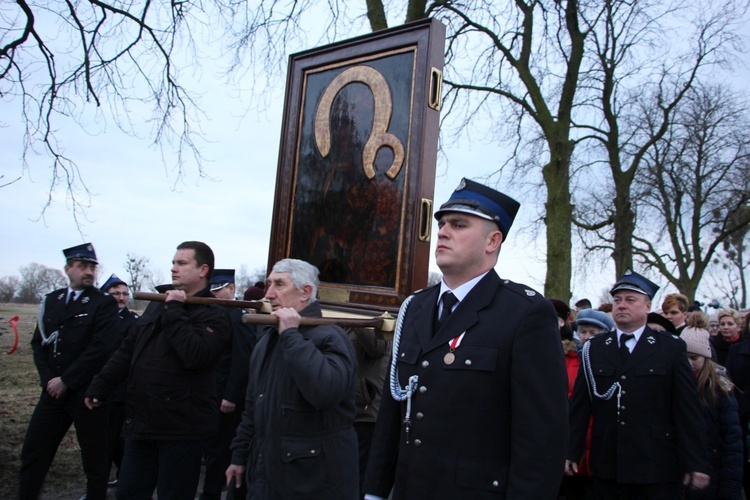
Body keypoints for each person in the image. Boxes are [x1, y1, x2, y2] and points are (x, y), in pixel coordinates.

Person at [364, 178, 568, 499]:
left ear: (492, 241)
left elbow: (541, 437)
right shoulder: (416, 307)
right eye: (443, 224)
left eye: (458, 225)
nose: (443, 232)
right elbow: (393, 409)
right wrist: (375, 490)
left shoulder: (525, 313)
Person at [85, 241, 231, 500]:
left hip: (183, 428)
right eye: (173, 262)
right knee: (129, 493)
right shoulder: (158, 303)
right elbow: (129, 349)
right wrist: (102, 383)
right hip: (142, 423)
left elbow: (194, 355)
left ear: (203, 270)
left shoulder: (215, 314)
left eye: (182, 263)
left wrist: (174, 309)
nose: (173, 268)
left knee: (173, 495)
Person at [566, 269, 710, 498]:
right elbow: (581, 405)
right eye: (617, 300)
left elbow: (686, 409)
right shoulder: (595, 348)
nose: (621, 305)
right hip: (608, 464)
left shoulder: (670, 348)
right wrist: (571, 451)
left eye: (630, 300)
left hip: (655, 464)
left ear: (647, 306)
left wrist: (696, 461)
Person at [227, 258, 359, 499]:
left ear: (305, 292)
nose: (269, 294)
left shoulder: (330, 337)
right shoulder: (268, 338)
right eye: (269, 284)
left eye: (279, 284)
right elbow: (253, 406)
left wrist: (291, 336)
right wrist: (239, 455)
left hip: (313, 480)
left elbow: (325, 391)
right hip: (266, 474)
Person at [19, 243, 120, 500]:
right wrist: (49, 382)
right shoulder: (51, 301)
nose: (88, 272)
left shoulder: (103, 303)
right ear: (68, 269)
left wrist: (67, 380)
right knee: (34, 453)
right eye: (82, 266)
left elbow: (100, 348)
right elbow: (39, 343)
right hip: (53, 393)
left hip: (86, 393)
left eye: (92, 267)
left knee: (95, 459)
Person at [199, 269, 257, 500]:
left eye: (218, 290)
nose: (213, 296)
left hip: (225, 394)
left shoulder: (237, 316)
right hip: (208, 392)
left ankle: (214, 493)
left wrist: (231, 395)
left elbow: (241, 359)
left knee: (220, 449)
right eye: (211, 291)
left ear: (231, 289)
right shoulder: (212, 314)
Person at [680, 312, 742, 499]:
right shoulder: (673, 384)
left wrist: (730, 487)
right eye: (684, 357)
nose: (689, 363)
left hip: (713, 473)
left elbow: (732, 439)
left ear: (705, 357)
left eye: (694, 357)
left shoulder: (720, 387)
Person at [561, 308, 615, 500]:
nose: (586, 337)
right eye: (583, 332)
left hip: (599, 449)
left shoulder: (612, 363)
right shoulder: (565, 359)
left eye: (594, 333)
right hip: (570, 441)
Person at [100, 273, 140, 489]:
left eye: (125, 294)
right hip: (98, 387)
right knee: (102, 442)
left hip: (122, 390)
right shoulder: (97, 319)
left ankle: (125, 480)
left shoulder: (133, 322)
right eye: (115, 294)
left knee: (119, 440)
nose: (121, 298)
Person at [349, 327, 391, 497]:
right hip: (347, 411)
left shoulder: (376, 314)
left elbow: (378, 347)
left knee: (358, 482)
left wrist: (353, 314)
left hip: (367, 413)